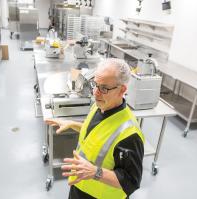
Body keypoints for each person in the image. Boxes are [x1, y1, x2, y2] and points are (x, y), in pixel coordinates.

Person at [45, 58, 145, 199]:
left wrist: (95, 172)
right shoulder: (99, 106)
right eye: (95, 84)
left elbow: (131, 181)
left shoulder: (129, 134)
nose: (95, 93)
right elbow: (98, 134)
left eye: (104, 88)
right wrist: (72, 124)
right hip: (80, 185)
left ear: (122, 90)